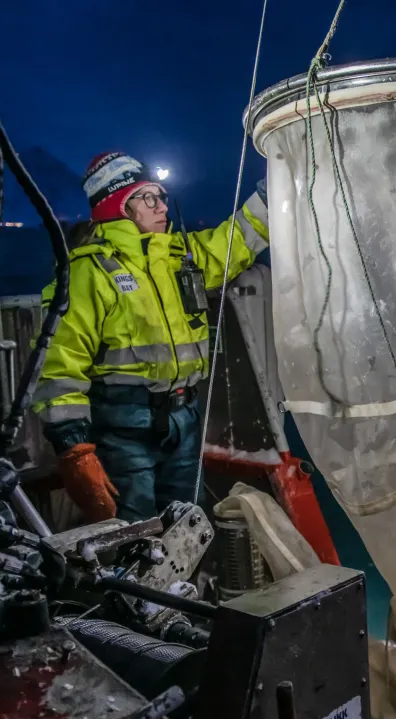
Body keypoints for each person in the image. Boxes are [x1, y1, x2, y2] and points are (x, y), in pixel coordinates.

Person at [32, 152, 269, 524]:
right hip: (123, 430)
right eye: (149, 198)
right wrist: (74, 449)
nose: (162, 206)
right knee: (135, 533)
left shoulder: (179, 256)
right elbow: (59, 366)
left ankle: (186, 584)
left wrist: (273, 195)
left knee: (188, 526)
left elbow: (235, 240)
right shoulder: (88, 273)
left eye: (161, 197)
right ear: (121, 206)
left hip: (185, 420)